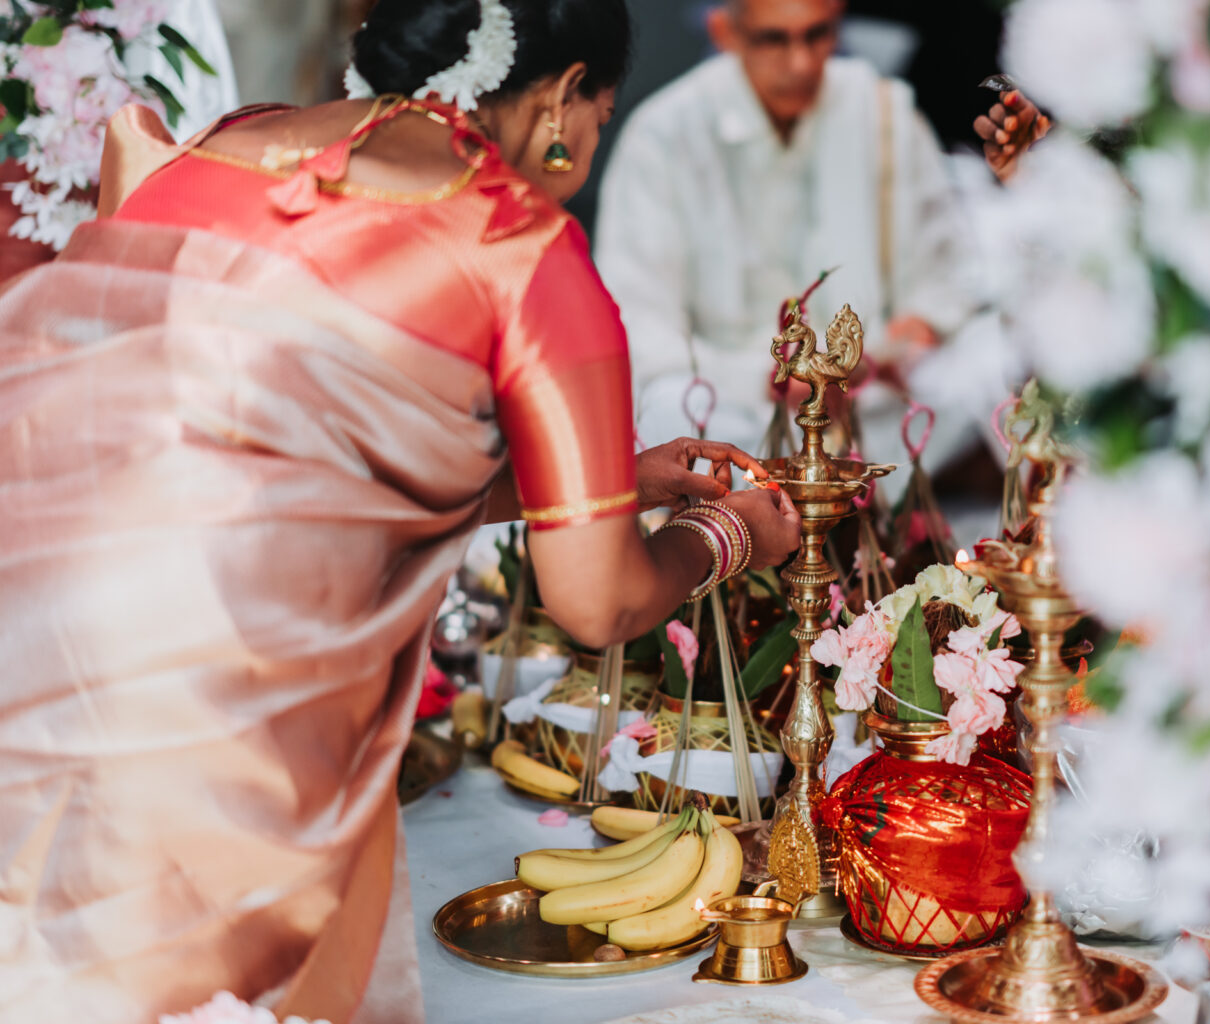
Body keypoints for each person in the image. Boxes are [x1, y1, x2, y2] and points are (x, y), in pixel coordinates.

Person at [0, 1, 799, 1022]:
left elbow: (297, 476)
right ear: (561, 97)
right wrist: (728, 536)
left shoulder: (225, 143)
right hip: (234, 718)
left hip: (41, 649)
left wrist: (615, 482)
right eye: (596, 121)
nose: (584, 155)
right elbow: (598, 602)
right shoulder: (520, 245)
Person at [594, 0, 1047, 478]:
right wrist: (771, 379)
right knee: (670, 407)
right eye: (774, 39)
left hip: (874, 399)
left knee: (988, 359)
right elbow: (640, 328)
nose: (802, 63)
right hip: (735, 404)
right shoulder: (664, 133)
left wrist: (915, 332)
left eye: (817, 35)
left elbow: (946, 274)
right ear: (725, 32)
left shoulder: (882, 111)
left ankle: (1002, 528)